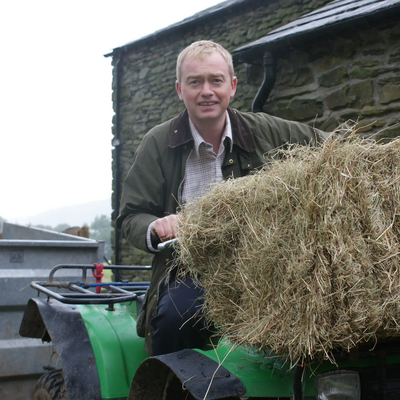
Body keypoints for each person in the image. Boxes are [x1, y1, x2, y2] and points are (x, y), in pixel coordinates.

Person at [117, 40, 326, 356]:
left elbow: (333, 149)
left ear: (232, 86)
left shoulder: (265, 130)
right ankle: (170, 387)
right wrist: (157, 226)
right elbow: (131, 216)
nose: (206, 91)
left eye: (215, 80)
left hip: (267, 265)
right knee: (177, 319)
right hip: (190, 269)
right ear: (179, 89)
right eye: (195, 82)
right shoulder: (158, 144)